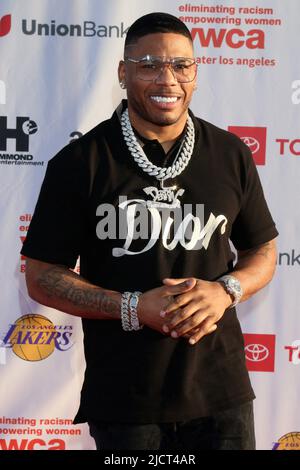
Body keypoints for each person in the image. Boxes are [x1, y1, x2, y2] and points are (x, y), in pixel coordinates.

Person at [21, 12, 278, 450]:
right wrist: (133, 307)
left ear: (195, 73)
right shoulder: (81, 162)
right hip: (126, 402)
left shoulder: (230, 153)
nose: (168, 80)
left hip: (222, 397)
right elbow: (42, 275)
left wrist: (225, 291)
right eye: (149, 65)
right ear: (123, 73)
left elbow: (263, 249)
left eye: (181, 66)